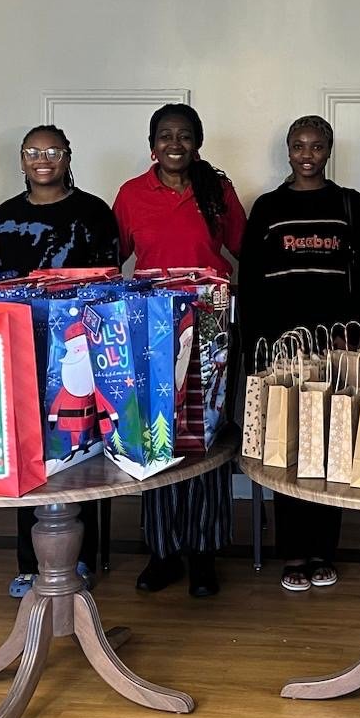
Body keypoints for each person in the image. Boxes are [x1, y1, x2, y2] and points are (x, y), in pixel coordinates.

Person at [237, 115, 360, 593]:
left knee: (332, 444)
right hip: (282, 350)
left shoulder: (350, 204)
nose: (307, 154)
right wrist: (257, 349)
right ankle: (294, 552)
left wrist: (355, 332)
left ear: (328, 151)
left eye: (316, 146)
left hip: (336, 350)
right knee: (288, 447)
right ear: (288, 151)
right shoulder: (268, 207)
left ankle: (325, 549)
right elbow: (253, 282)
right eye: (298, 146)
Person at [112, 103, 247, 598]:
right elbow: (113, 263)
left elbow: (244, 250)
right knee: (158, 435)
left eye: (185, 135)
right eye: (166, 135)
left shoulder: (217, 190)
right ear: (153, 144)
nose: (176, 144)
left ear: (197, 143)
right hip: (153, 329)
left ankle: (205, 553)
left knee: (205, 433)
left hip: (211, 323)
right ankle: (164, 550)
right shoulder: (131, 195)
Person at [0, 124, 119, 598]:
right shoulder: (4, 216)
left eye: (53, 151)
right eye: (33, 152)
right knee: (30, 451)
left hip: (81, 349)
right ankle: (29, 563)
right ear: (21, 160)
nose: (43, 159)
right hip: (21, 347)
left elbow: (110, 281)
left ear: (67, 156)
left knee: (81, 450)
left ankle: (78, 557)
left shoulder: (95, 211)